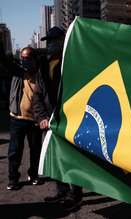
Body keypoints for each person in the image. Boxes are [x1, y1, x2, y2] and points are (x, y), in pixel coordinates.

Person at [33, 26, 83, 211]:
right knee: (54, 158)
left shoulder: (72, 61)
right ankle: (61, 191)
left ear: (64, 40)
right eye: (49, 42)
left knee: (71, 158)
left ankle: (75, 195)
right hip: (50, 121)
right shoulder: (44, 65)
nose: (51, 45)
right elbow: (37, 95)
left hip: (68, 120)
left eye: (55, 41)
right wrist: (41, 117)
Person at [7, 47, 43, 190]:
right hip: (17, 119)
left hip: (35, 120)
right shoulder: (18, 72)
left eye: (27, 58)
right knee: (15, 150)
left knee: (35, 150)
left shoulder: (41, 74)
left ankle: (33, 175)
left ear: (34, 59)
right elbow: (5, 61)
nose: (24, 61)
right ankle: (13, 179)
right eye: (22, 58)